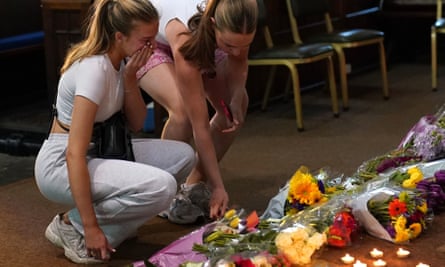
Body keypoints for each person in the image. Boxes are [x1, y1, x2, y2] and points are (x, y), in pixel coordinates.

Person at [34, 0, 196, 264]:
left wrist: (130, 79)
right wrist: (90, 226)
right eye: (146, 40)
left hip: (99, 152)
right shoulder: (93, 70)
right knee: (163, 187)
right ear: (119, 36)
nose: (152, 47)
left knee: (183, 155)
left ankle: (117, 223)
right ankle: (70, 225)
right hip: (60, 163)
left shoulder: (121, 62)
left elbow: (137, 123)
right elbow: (74, 154)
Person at [137, 0, 258, 224]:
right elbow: (199, 126)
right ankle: (162, 191)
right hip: (150, 40)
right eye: (230, 45)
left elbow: (239, 58)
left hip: (207, 38)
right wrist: (218, 186)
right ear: (213, 24)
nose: (237, 51)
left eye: (244, 44)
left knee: (236, 108)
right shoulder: (185, 37)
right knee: (183, 113)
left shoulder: (241, 13)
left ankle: (192, 185)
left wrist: (237, 93)